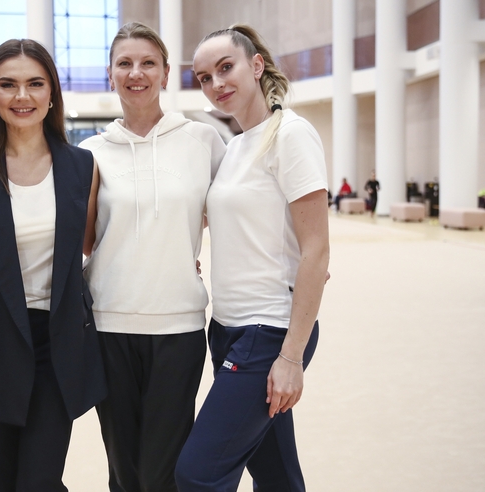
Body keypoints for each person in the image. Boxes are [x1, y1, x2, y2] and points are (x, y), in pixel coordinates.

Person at [176, 25, 329, 491]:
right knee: (276, 474)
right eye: (204, 77)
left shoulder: (292, 135)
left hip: (269, 334)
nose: (216, 83)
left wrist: (291, 357)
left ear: (256, 65)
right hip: (224, 328)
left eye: (226, 68)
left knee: (198, 475)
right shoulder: (234, 145)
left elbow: (317, 250)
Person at [0, 39, 106, 492]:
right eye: (9, 85)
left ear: (52, 92)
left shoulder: (82, 166)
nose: (23, 96)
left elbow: (92, 245)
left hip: (57, 348)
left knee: (38, 480)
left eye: (35, 83)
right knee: (2, 483)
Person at [79, 22, 226, 492]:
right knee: (124, 469)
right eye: (124, 63)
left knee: (165, 470)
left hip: (178, 326)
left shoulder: (203, 141)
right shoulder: (90, 154)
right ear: (110, 74)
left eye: (148, 63)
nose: (135, 72)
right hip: (108, 325)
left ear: (166, 73)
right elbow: (85, 241)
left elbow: (234, 210)